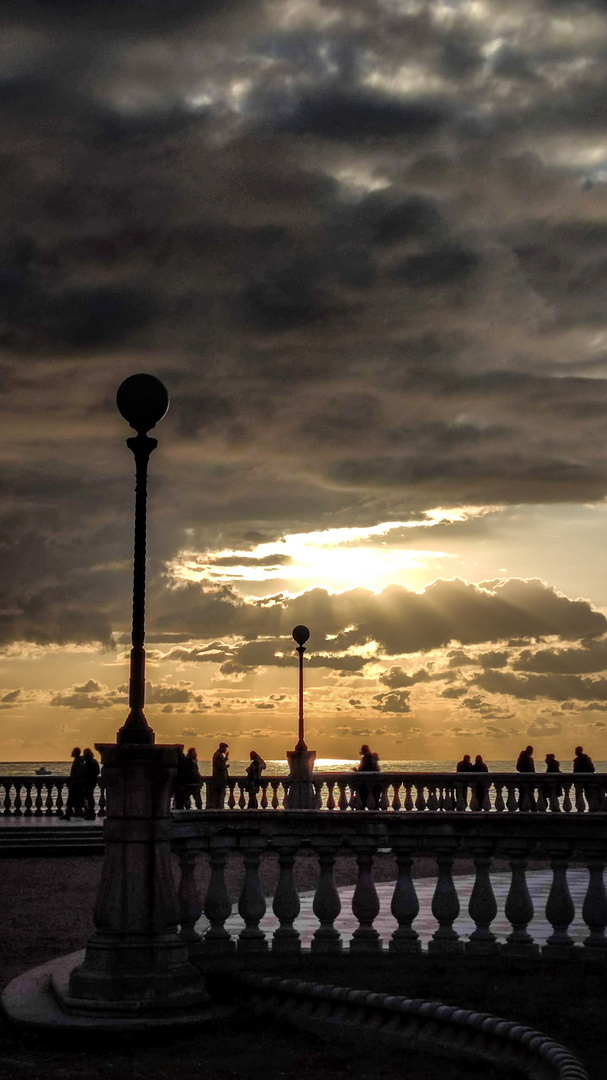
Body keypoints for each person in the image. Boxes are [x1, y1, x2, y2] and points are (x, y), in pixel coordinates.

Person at [63, 747, 86, 820]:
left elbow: (76, 774)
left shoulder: (78, 762)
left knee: (71, 800)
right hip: (77, 784)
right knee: (78, 800)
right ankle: (75, 812)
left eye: (73, 751)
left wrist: (72, 781)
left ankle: (68, 814)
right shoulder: (79, 761)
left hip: (76, 784)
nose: (71, 753)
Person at [207, 742, 229, 809]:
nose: (225, 750)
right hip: (219, 779)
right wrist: (226, 765)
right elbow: (219, 766)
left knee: (220, 795)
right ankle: (219, 807)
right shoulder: (218, 755)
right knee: (219, 795)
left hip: (220, 779)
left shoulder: (218, 755)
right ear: (222, 747)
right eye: (225, 748)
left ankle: (219, 807)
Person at [353, 744, 375, 809]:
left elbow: (363, 770)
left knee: (363, 798)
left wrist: (356, 771)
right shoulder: (371, 758)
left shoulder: (366, 759)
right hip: (370, 782)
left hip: (365, 783)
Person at [516, 744, 536, 810]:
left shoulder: (521, 758)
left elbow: (518, 768)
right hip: (529, 779)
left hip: (522, 778)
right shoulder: (529, 759)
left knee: (522, 794)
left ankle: (521, 807)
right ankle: (533, 808)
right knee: (530, 794)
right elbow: (532, 770)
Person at [82, 747, 100, 820]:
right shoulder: (94, 762)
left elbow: (85, 772)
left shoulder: (88, 763)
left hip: (88, 782)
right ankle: (90, 812)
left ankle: (90, 813)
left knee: (88, 797)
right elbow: (98, 771)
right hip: (92, 782)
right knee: (90, 797)